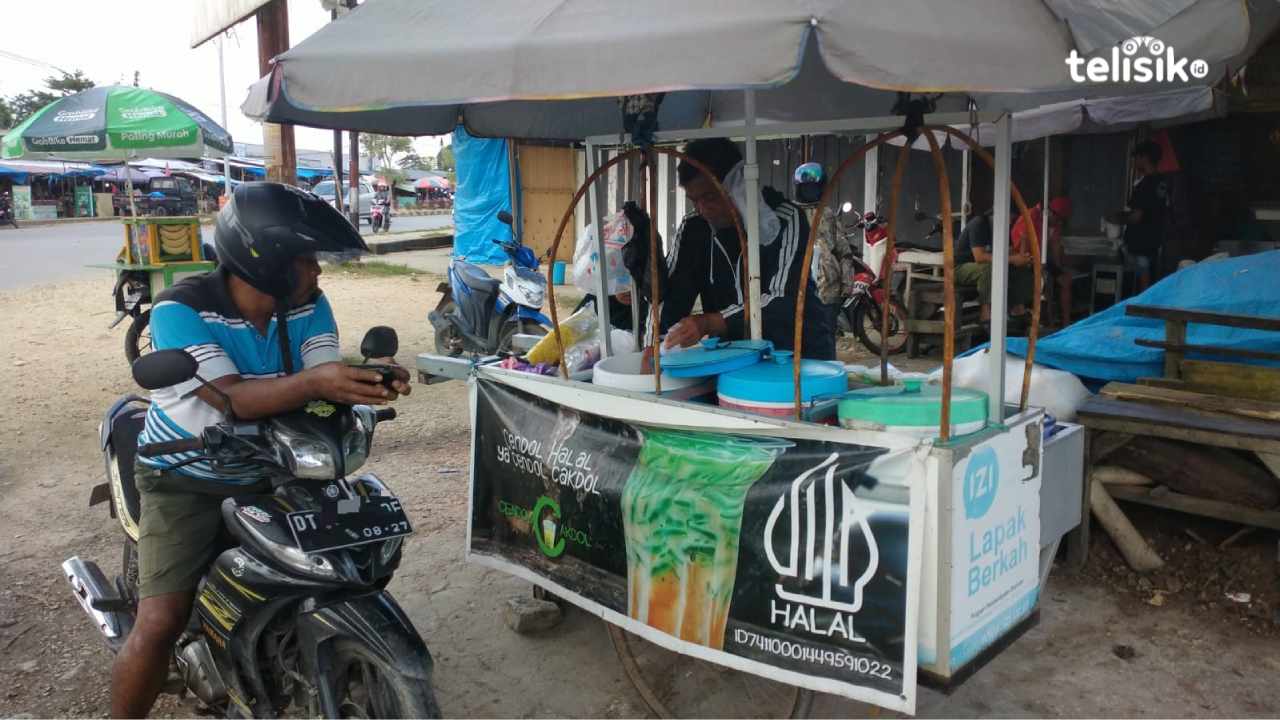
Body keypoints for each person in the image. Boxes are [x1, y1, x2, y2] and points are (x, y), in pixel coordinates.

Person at [111, 182, 412, 718]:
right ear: (266, 260)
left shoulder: (308, 305)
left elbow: (321, 378)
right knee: (159, 623)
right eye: (307, 260)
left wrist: (366, 383)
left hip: (279, 463)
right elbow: (236, 399)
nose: (318, 272)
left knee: (341, 561)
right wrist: (321, 383)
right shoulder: (180, 310)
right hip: (187, 473)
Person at [655, 138, 836, 359]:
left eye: (710, 197)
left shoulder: (785, 219)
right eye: (694, 200)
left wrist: (711, 322)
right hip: (735, 360)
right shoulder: (695, 228)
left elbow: (785, 299)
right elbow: (673, 294)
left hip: (798, 355)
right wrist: (654, 344)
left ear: (736, 186)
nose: (703, 209)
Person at [954, 210, 1035, 327]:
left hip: (983, 266)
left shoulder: (1004, 228)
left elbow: (1010, 251)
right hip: (960, 268)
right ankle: (986, 314)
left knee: (1020, 270)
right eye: (1010, 218)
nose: (1011, 221)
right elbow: (979, 257)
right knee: (991, 268)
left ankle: (1018, 310)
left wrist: (1022, 251)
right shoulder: (979, 224)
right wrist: (1012, 259)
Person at [793, 161, 856, 308]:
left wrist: (847, 285)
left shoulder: (828, 215)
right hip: (796, 292)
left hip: (828, 293)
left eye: (813, 188)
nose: (810, 191)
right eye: (806, 188)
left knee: (826, 329)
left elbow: (844, 252)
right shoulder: (791, 214)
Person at [1110, 141, 1169, 292]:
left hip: (1141, 244)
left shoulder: (1145, 186)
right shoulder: (1163, 182)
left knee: (1143, 285)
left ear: (1145, 158)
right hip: (1154, 242)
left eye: (1137, 157)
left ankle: (1143, 311)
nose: (1135, 161)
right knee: (1148, 282)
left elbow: (1136, 216)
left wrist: (1117, 218)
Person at [1010, 196, 1074, 327]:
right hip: (1022, 257)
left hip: (1042, 257)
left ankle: (1066, 323)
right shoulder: (1030, 217)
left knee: (1065, 279)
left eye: (1063, 220)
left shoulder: (1055, 224)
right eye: (1059, 219)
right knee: (1044, 282)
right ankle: (1043, 321)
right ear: (1051, 212)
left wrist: (1059, 268)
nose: (1060, 223)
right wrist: (1039, 267)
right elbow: (1022, 248)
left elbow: (1056, 248)